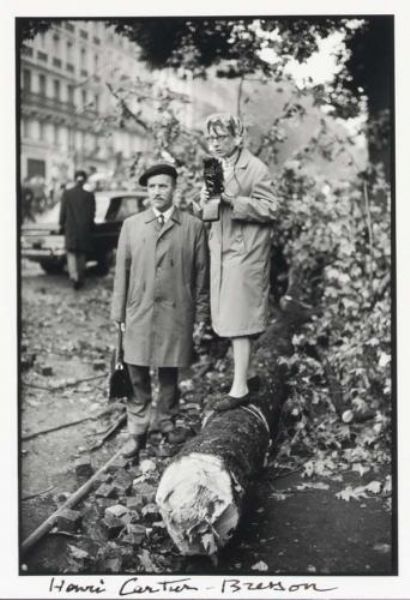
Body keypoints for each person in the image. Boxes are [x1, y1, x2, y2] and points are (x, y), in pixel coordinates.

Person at [111, 163, 209, 459]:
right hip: (138, 310)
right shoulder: (132, 225)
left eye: (163, 185)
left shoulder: (193, 226)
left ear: (174, 188)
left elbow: (202, 275)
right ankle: (137, 431)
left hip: (177, 311)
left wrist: (201, 317)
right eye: (152, 187)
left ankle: (166, 424)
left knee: (169, 372)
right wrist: (119, 314)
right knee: (136, 371)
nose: (157, 192)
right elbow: (121, 273)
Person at [200, 112, 278, 410]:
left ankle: (240, 388)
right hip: (222, 250)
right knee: (231, 316)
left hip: (246, 253)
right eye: (211, 138)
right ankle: (249, 374)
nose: (215, 143)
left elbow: (271, 209)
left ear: (237, 137)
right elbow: (209, 213)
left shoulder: (255, 168)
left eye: (221, 137)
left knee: (239, 320)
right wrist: (203, 200)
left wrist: (232, 200)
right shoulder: (213, 166)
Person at [59, 170, 96, 290]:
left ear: (75, 179)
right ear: (84, 180)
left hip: (71, 228)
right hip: (84, 229)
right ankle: (80, 276)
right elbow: (92, 214)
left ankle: (74, 277)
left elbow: (63, 212)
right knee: (81, 254)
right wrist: (90, 227)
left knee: (71, 253)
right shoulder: (89, 195)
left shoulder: (67, 194)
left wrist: (61, 224)